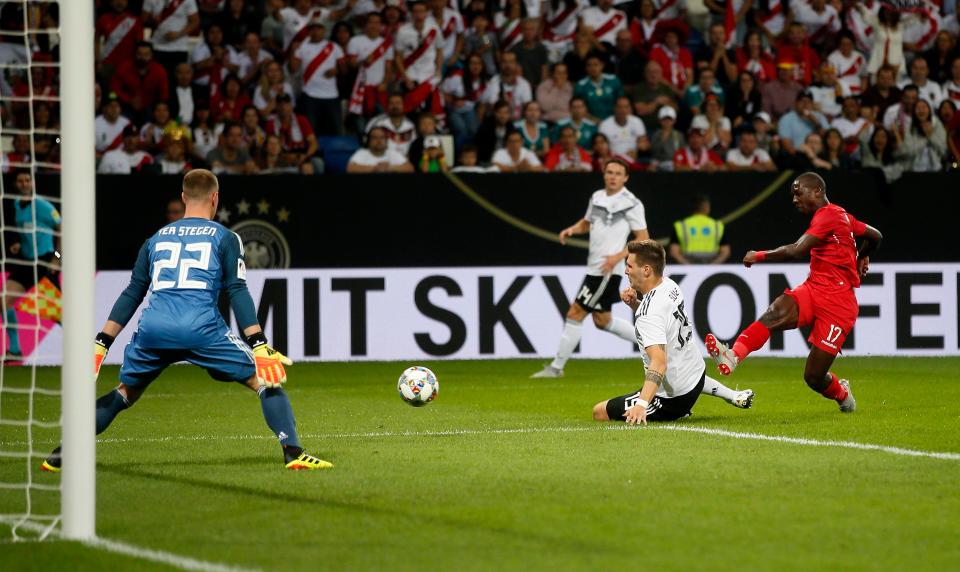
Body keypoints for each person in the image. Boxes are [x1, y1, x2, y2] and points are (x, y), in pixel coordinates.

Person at [39, 169, 331, 473]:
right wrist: (258, 344)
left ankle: (62, 454)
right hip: (201, 329)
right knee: (266, 381)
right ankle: (293, 451)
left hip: (154, 329)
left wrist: (102, 342)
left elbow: (133, 293)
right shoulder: (225, 237)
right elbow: (236, 290)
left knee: (126, 392)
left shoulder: (155, 239)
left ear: (183, 197)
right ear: (215, 198)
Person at [704, 172, 883, 414]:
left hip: (839, 305)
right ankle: (733, 356)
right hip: (814, 288)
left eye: (798, 192)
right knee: (775, 312)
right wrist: (862, 255)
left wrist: (759, 255)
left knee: (813, 377)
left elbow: (797, 250)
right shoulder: (841, 215)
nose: (794, 199)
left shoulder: (829, 214)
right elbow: (875, 236)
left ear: (818, 191)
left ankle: (841, 393)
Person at [592, 240, 755, 424]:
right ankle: (731, 395)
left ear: (646, 270)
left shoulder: (649, 312)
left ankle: (678, 411)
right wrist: (635, 304)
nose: (626, 271)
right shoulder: (670, 286)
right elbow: (661, 321)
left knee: (599, 412)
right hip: (696, 373)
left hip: (673, 398)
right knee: (681, 371)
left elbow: (659, 363)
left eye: (629, 265)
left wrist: (641, 405)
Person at [531, 158, 647, 379]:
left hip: (606, 271)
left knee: (575, 313)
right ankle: (653, 342)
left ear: (626, 178)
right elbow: (587, 222)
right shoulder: (597, 196)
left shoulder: (632, 203)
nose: (612, 176)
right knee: (603, 321)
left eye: (617, 173)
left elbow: (643, 238)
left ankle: (556, 368)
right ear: (604, 174)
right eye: (609, 172)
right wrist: (572, 229)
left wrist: (618, 256)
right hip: (594, 268)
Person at [3, 170, 61, 361]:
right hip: (27, 263)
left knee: (60, 313)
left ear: (32, 183)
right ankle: (16, 350)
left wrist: (57, 258)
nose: (24, 183)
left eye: (27, 180)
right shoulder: (16, 205)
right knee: (4, 302)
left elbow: (62, 228)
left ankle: (90, 349)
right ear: (16, 185)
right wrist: (16, 243)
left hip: (45, 261)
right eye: (20, 181)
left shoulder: (43, 206)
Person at [290, 19, 346, 136]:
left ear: (324, 30)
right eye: (312, 29)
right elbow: (293, 69)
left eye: (319, 28)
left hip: (332, 96)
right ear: (309, 32)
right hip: (310, 96)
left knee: (336, 130)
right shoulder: (302, 47)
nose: (315, 31)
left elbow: (344, 70)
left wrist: (336, 71)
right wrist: (293, 51)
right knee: (311, 131)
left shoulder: (334, 47)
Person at [669, 194, 730, 264]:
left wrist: (688, 266)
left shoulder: (681, 225)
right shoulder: (717, 226)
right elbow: (726, 251)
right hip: (711, 263)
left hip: (688, 264)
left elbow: (674, 252)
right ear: (707, 207)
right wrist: (712, 266)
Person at [573, 54, 624, 121]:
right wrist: (594, 120)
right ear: (586, 68)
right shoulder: (581, 85)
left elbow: (622, 103)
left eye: (596, 64)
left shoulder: (613, 80)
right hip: (590, 121)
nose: (593, 68)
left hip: (614, 120)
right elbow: (578, 109)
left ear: (602, 65)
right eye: (589, 65)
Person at [347, 126, 415, 173]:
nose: (379, 141)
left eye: (382, 137)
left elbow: (410, 168)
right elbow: (350, 168)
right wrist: (374, 168)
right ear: (368, 140)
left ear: (386, 140)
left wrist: (390, 168)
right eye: (375, 137)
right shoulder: (361, 153)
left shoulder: (393, 153)